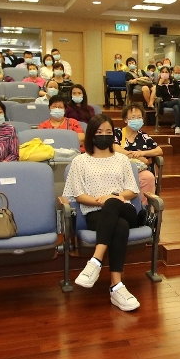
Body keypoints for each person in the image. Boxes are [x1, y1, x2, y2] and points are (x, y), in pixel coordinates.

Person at [63, 114, 145, 312]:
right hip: (95, 213)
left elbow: (133, 190)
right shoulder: (79, 161)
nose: (104, 135)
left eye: (108, 132)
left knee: (114, 206)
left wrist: (112, 197)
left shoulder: (122, 160)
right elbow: (79, 195)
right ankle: (116, 286)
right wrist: (101, 200)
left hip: (125, 209)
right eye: (99, 132)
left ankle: (96, 261)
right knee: (119, 227)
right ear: (91, 135)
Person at [115, 103, 161, 195]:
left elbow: (159, 150)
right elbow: (114, 147)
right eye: (133, 117)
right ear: (125, 120)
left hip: (140, 170)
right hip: (120, 169)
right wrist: (136, 157)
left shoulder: (144, 136)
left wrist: (142, 153)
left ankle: (145, 204)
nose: (136, 120)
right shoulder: (117, 132)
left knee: (148, 177)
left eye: (139, 117)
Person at [151, 68, 180, 133]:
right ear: (160, 73)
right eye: (163, 72)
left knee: (176, 107)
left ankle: (177, 127)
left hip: (174, 101)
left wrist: (175, 98)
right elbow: (158, 95)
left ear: (169, 73)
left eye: (166, 72)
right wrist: (160, 84)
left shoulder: (174, 82)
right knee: (178, 101)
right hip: (165, 102)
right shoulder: (159, 84)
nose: (164, 73)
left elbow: (179, 94)